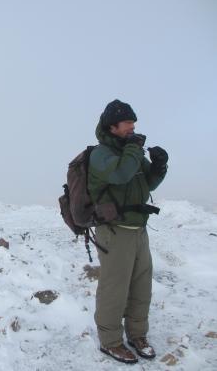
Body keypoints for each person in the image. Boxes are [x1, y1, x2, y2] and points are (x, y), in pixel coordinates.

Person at [87, 99, 168, 363]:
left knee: (140, 285)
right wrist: (134, 149)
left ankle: (137, 334)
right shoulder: (102, 154)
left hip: (138, 229)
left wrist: (158, 166)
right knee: (115, 287)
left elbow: (148, 183)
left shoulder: (132, 150)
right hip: (114, 230)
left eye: (134, 122)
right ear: (113, 127)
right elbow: (121, 174)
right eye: (128, 123)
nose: (133, 127)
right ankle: (110, 340)